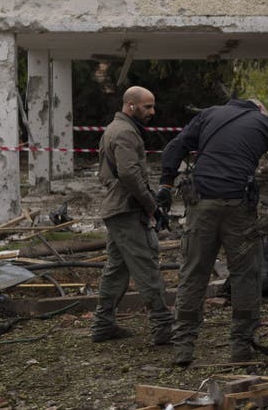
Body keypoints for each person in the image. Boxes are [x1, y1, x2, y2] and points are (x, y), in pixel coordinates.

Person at [159, 98, 268, 366]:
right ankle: (241, 348)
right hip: (239, 207)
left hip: (200, 204)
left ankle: (183, 348)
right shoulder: (263, 121)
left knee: (193, 274)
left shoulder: (209, 113)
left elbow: (174, 148)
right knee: (245, 276)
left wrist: (165, 185)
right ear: (259, 110)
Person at [91, 86, 173, 345]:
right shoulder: (126, 132)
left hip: (118, 210)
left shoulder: (116, 129)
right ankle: (163, 326)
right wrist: (152, 206)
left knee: (116, 270)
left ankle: (103, 325)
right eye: (147, 106)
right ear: (131, 106)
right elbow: (129, 174)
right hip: (126, 211)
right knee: (147, 266)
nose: (152, 111)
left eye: (152, 106)